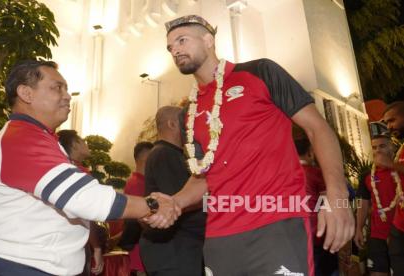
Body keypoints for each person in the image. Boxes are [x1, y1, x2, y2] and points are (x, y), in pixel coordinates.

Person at [151, 15, 355, 275]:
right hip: (219, 238)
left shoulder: (260, 72)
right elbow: (203, 178)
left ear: (208, 40)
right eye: (170, 47)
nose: (175, 50)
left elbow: (319, 129)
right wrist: (173, 202)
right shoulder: (188, 113)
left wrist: (337, 196)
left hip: (277, 226)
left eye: (182, 40)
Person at [0, 60, 180, 276]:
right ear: (26, 93)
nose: (68, 96)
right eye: (57, 87)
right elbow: (82, 198)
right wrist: (152, 205)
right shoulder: (21, 138)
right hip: (17, 268)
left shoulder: (40, 137)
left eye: (66, 88)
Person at [140, 106, 206, 276]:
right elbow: (180, 203)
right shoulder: (164, 154)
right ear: (172, 124)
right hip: (173, 250)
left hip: (178, 248)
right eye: (186, 122)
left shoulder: (171, 154)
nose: (190, 127)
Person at [57, 129, 104, 276]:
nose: (86, 144)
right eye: (83, 141)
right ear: (75, 144)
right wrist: (97, 247)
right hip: (76, 244)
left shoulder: (61, 169)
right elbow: (85, 215)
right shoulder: (79, 174)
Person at [354, 134, 399, 276]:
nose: (377, 150)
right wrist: (359, 228)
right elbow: (364, 203)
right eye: (374, 147)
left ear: (392, 148)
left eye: (382, 146)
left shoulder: (400, 170)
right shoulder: (367, 175)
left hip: (399, 234)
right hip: (377, 236)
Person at [295, 137, 338, 276]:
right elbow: (329, 204)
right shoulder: (316, 173)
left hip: (293, 234)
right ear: (310, 153)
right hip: (317, 234)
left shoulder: (283, 175)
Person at [119, 141, 154, 275]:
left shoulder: (141, 181)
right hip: (140, 252)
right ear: (147, 158)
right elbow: (142, 218)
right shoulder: (136, 184)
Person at [380, 101, 404, 275]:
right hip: (400, 226)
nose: (389, 127)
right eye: (386, 123)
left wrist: (391, 164)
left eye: (392, 120)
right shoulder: (402, 148)